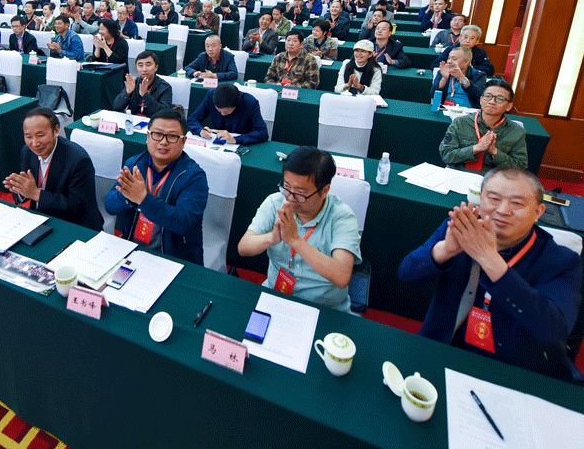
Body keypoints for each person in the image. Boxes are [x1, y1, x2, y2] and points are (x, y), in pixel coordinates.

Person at [398, 167, 581, 380]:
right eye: (494, 199)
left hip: (513, 370)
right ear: (480, 199)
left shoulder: (562, 261)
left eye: (517, 203)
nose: (503, 210)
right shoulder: (462, 228)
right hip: (446, 349)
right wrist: (444, 250)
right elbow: (406, 274)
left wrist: (488, 258)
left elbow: (553, 328)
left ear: (538, 212)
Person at [238, 146, 361, 311]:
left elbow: (341, 276)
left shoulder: (342, 217)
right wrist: (271, 238)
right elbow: (243, 247)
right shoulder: (275, 202)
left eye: (300, 193)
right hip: (276, 296)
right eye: (286, 187)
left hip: (324, 308)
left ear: (324, 190)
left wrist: (295, 240)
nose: (290, 197)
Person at [105, 109, 208, 264]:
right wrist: (127, 196)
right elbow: (109, 206)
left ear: (183, 141)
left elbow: (183, 223)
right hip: (132, 250)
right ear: (148, 136)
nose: (163, 142)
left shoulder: (194, 177)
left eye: (172, 136)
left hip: (172, 259)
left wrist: (143, 199)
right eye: (157, 134)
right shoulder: (134, 164)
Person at [3, 107, 104, 231]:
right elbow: (29, 189)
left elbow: (76, 206)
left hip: (75, 225)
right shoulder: (27, 152)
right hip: (40, 218)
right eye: (28, 137)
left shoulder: (78, 160)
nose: (34, 143)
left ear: (56, 130)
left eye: (40, 135)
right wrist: (20, 190)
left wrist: (35, 193)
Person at [440, 79, 527, 172]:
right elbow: (446, 155)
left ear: (509, 106)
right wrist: (476, 148)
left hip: (494, 177)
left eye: (500, 99)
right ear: (481, 100)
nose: (492, 102)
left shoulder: (516, 132)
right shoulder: (460, 123)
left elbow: (520, 167)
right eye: (488, 96)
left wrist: (495, 152)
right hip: (460, 173)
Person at [188, 83, 268, 145]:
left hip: (241, 143)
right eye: (219, 110)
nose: (222, 114)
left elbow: (262, 132)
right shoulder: (211, 95)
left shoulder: (250, 102)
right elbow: (192, 119)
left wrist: (235, 139)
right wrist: (200, 130)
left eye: (226, 112)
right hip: (217, 142)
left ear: (236, 105)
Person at [113, 51, 172, 117]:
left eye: (148, 65)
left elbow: (165, 113)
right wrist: (127, 92)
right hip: (133, 120)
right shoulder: (133, 83)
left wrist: (145, 95)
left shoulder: (165, 87)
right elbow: (116, 107)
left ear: (156, 67)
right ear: (136, 68)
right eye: (140, 65)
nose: (144, 69)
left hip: (153, 121)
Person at [430, 24, 495, 76]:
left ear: (477, 41)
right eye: (465, 37)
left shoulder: (480, 52)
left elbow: (490, 70)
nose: (467, 41)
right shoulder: (450, 49)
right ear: (460, 38)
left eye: (472, 38)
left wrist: (468, 68)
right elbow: (435, 64)